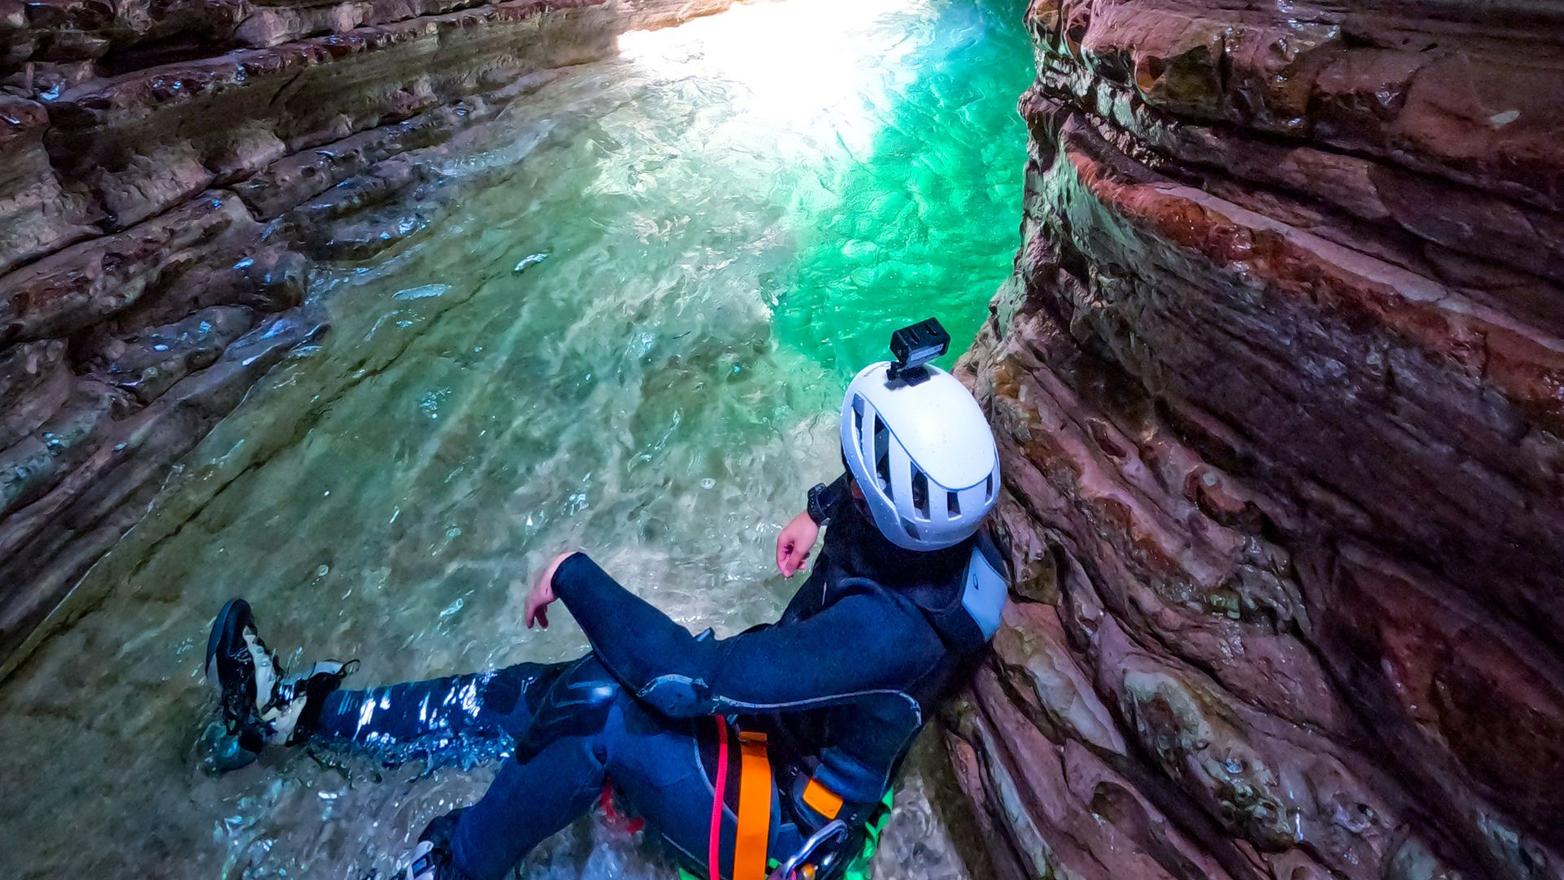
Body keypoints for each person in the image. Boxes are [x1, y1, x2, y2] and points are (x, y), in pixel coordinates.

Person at [204, 319, 1008, 880]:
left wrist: (573, 571)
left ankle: (452, 864)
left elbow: (687, 677)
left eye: (855, 481)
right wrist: (825, 506)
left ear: (886, 509)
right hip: (776, 733)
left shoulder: (882, 633)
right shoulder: (936, 542)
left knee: (600, 703)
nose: (850, 480)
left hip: (781, 832)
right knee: (542, 692)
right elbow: (883, 506)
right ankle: (305, 716)